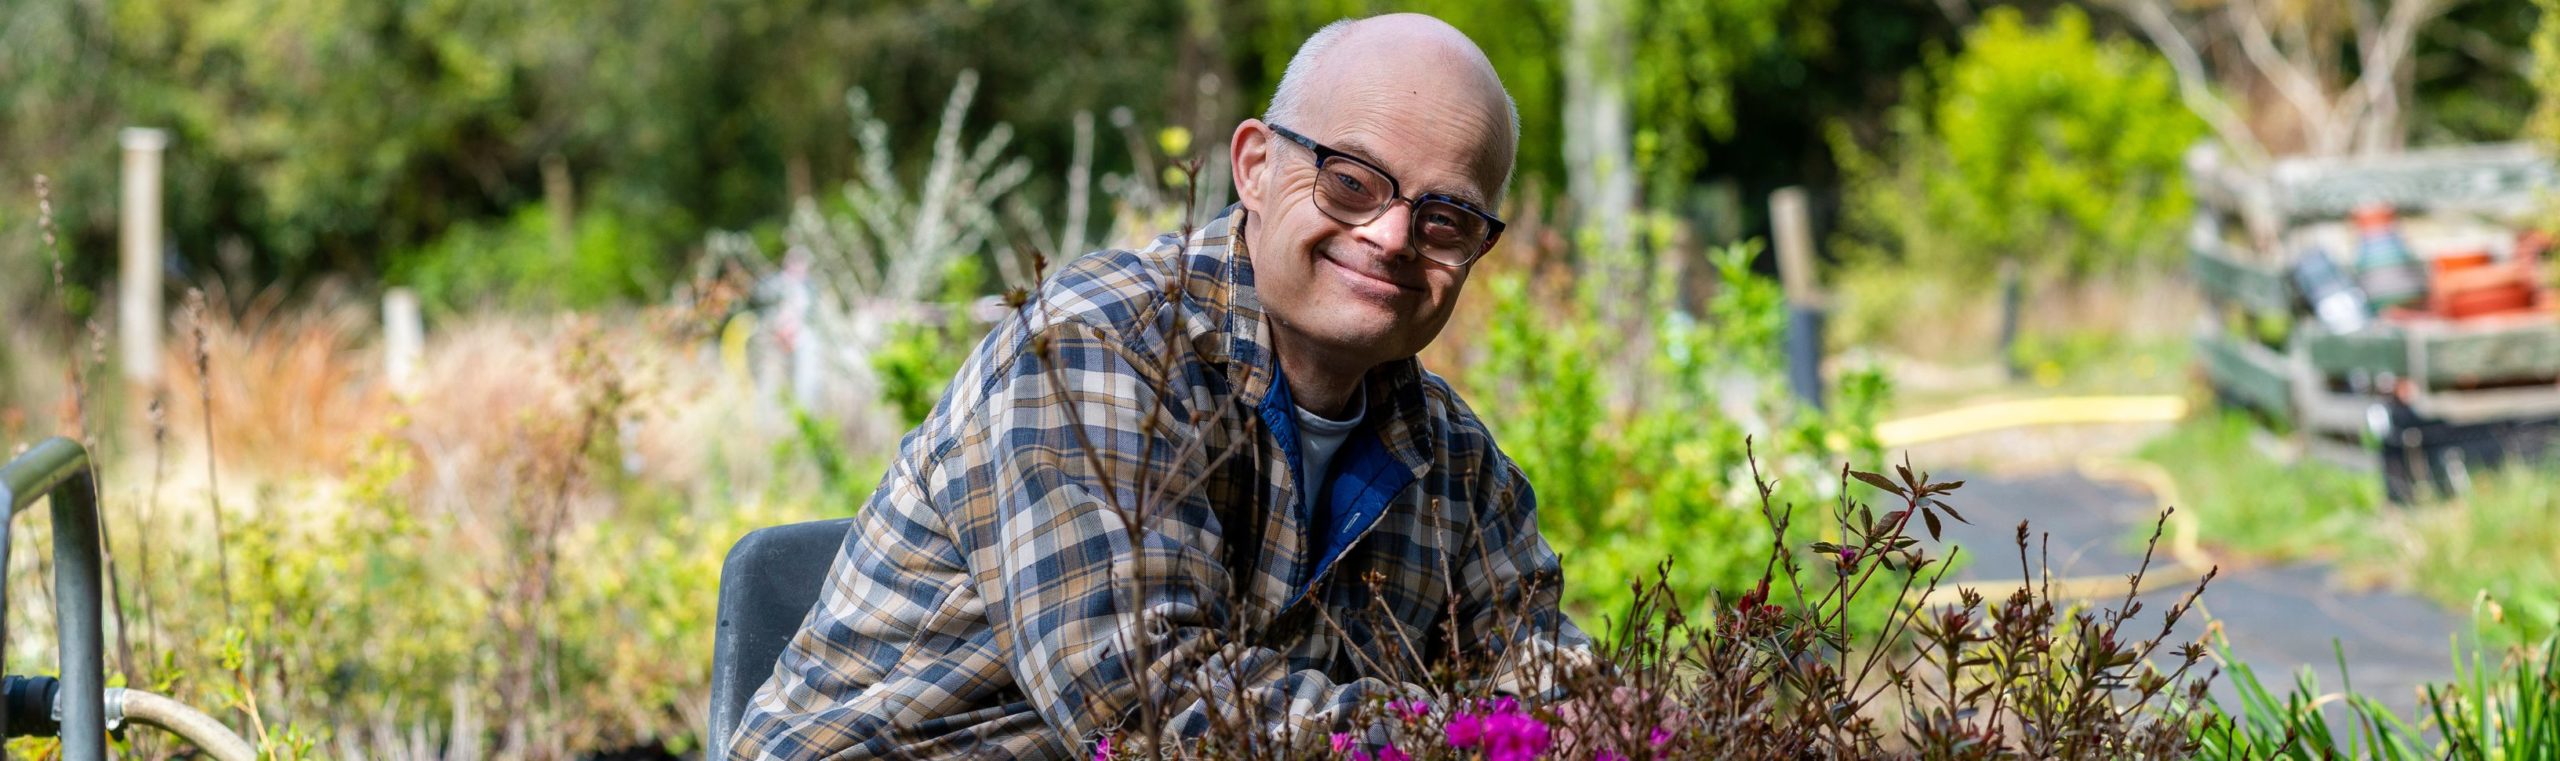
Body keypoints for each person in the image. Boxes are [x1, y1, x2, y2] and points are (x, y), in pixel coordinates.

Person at [729, 13, 1587, 759]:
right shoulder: (1093, 352)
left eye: (1446, 217)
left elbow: (1554, 680)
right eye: (1351, 181)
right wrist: (1480, 741)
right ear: (1253, 166)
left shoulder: (1456, 467)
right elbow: (1154, 712)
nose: (1393, 235)